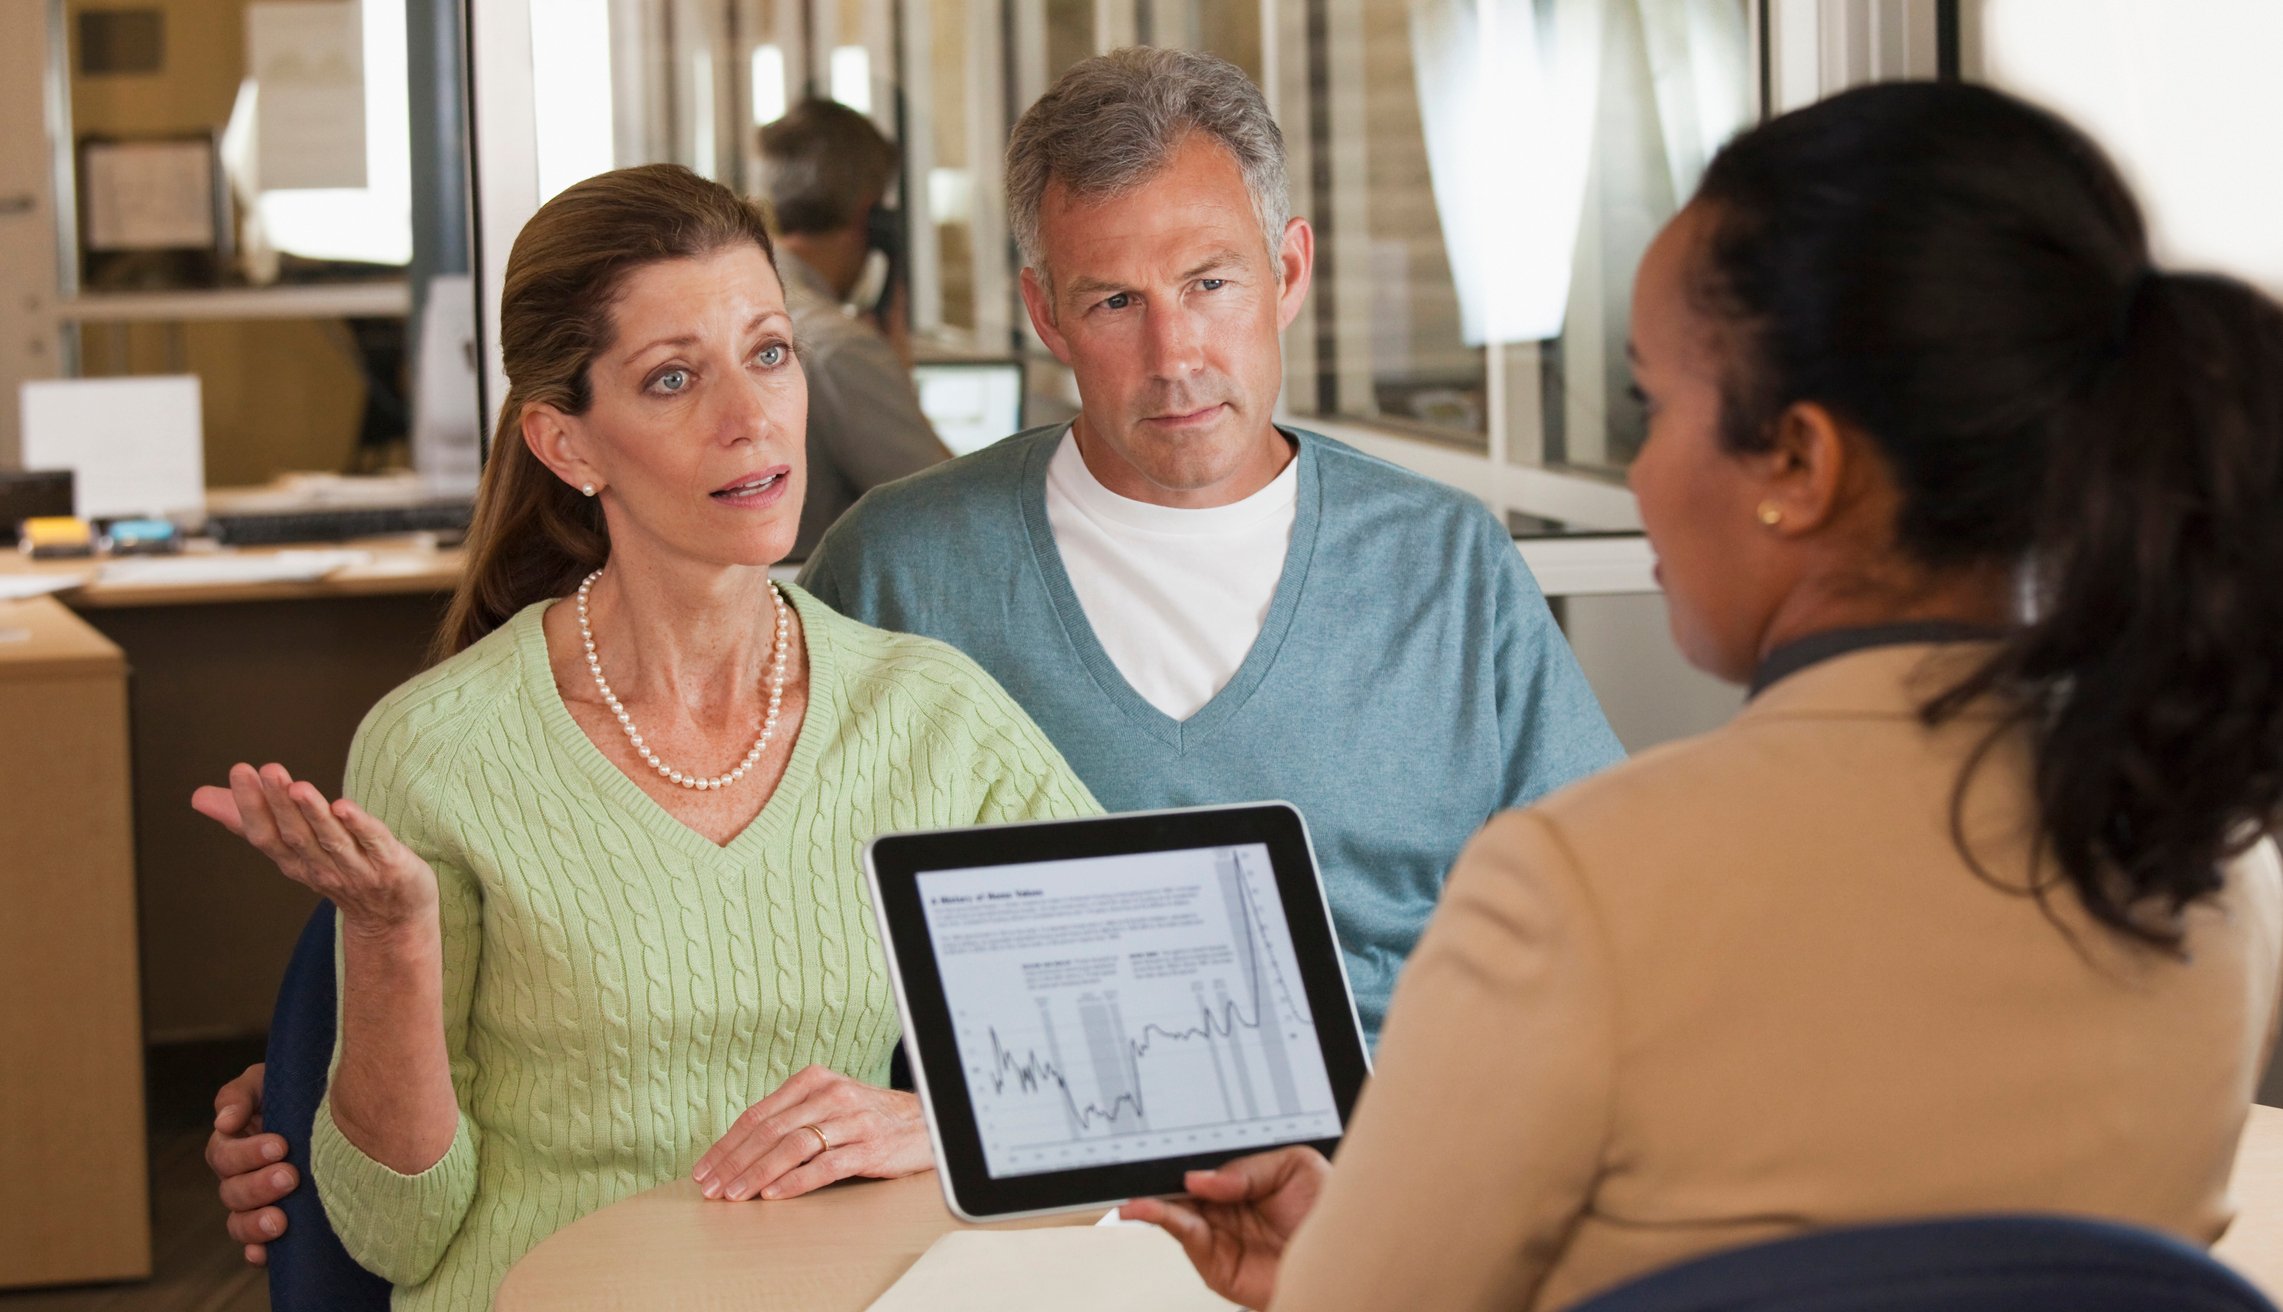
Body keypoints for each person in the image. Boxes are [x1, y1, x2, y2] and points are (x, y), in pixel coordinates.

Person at [1119, 79, 2283, 1311]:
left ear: (1797, 462)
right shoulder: (2200, 881)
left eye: (1654, 404)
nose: (1634, 466)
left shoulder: (1579, 887)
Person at [191, 163, 1095, 1307]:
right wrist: (390, 936)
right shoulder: (438, 746)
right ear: (569, 446)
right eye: (673, 378)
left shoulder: (930, 715)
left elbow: (1151, 1056)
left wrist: (935, 1121)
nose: (749, 417)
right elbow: (391, 1233)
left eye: (768, 353)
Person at [798, 46, 1625, 1050]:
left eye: (1210, 283)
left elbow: (1604, 923)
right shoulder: (900, 571)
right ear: (1046, 314)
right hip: (1028, 1192)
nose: (1175, 357)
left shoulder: (1444, 565)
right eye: (1115, 301)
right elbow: (813, 956)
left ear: (1287, 272)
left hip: (1387, 1173)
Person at [756, 98, 952, 554]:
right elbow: (947, 508)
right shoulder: (843, 349)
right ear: (869, 216)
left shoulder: (751, 301)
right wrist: (895, 371)